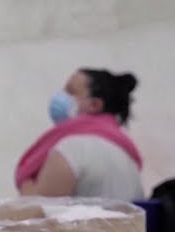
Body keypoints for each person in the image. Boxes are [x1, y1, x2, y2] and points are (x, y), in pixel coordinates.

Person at [15, 67, 144, 201]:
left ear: (94, 105)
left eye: (71, 92)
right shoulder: (127, 156)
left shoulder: (74, 148)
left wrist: (26, 179)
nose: (60, 97)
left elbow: (36, 207)